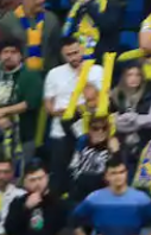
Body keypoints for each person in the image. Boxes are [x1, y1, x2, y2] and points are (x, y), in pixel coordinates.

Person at [42, 38, 101, 196]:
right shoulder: (54, 73)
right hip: (60, 132)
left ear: (82, 49)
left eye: (75, 53)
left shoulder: (97, 70)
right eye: (68, 55)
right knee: (60, 177)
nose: (73, 58)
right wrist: (74, 110)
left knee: (84, 177)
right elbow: (49, 106)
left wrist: (84, 77)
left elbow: (100, 101)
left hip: (89, 132)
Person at [8, 162, 65, 235]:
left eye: (40, 178)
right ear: (25, 182)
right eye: (32, 180)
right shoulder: (18, 203)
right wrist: (26, 207)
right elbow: (10, 228)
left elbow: (63, 232)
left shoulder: (59, 204)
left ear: (47, 178)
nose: (37, 183)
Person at [0, 39, 44, 169]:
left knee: (19, 175)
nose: (8, 56)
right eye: (5, 52)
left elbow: (31, 103)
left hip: (22, 137)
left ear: (20, 56)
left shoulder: (30, 75)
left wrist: (4, 112)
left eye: (13, 52)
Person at [0, 0, 62, 72]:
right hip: (18, 75)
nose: (41, 1)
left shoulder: (51, 19)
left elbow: (57, 50)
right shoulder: (7, 21)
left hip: (48, 74)